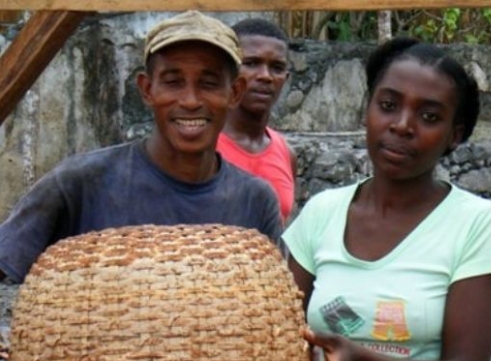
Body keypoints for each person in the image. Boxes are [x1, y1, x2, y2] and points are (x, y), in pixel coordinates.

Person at [282, 37, 491, 361]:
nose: (402, 125)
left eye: (429, 117)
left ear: (454, 135)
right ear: (367, 110)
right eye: (388, 106)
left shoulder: (475, 222)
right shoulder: (323, 212)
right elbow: (283, 338)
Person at [0, 11, 284, 284]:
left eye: (208, 84)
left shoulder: (254, 200)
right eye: (173, 82)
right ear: (147, 90)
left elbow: (274, 309)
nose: (190, 100)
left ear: (234, 93)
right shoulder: (81, 182)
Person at [217, 18, 297, 223]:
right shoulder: (204, 147)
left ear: (286, 78)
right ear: (227, 70)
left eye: (277, 67)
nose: (265, 76)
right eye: (251, 63)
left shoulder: (286, 153)